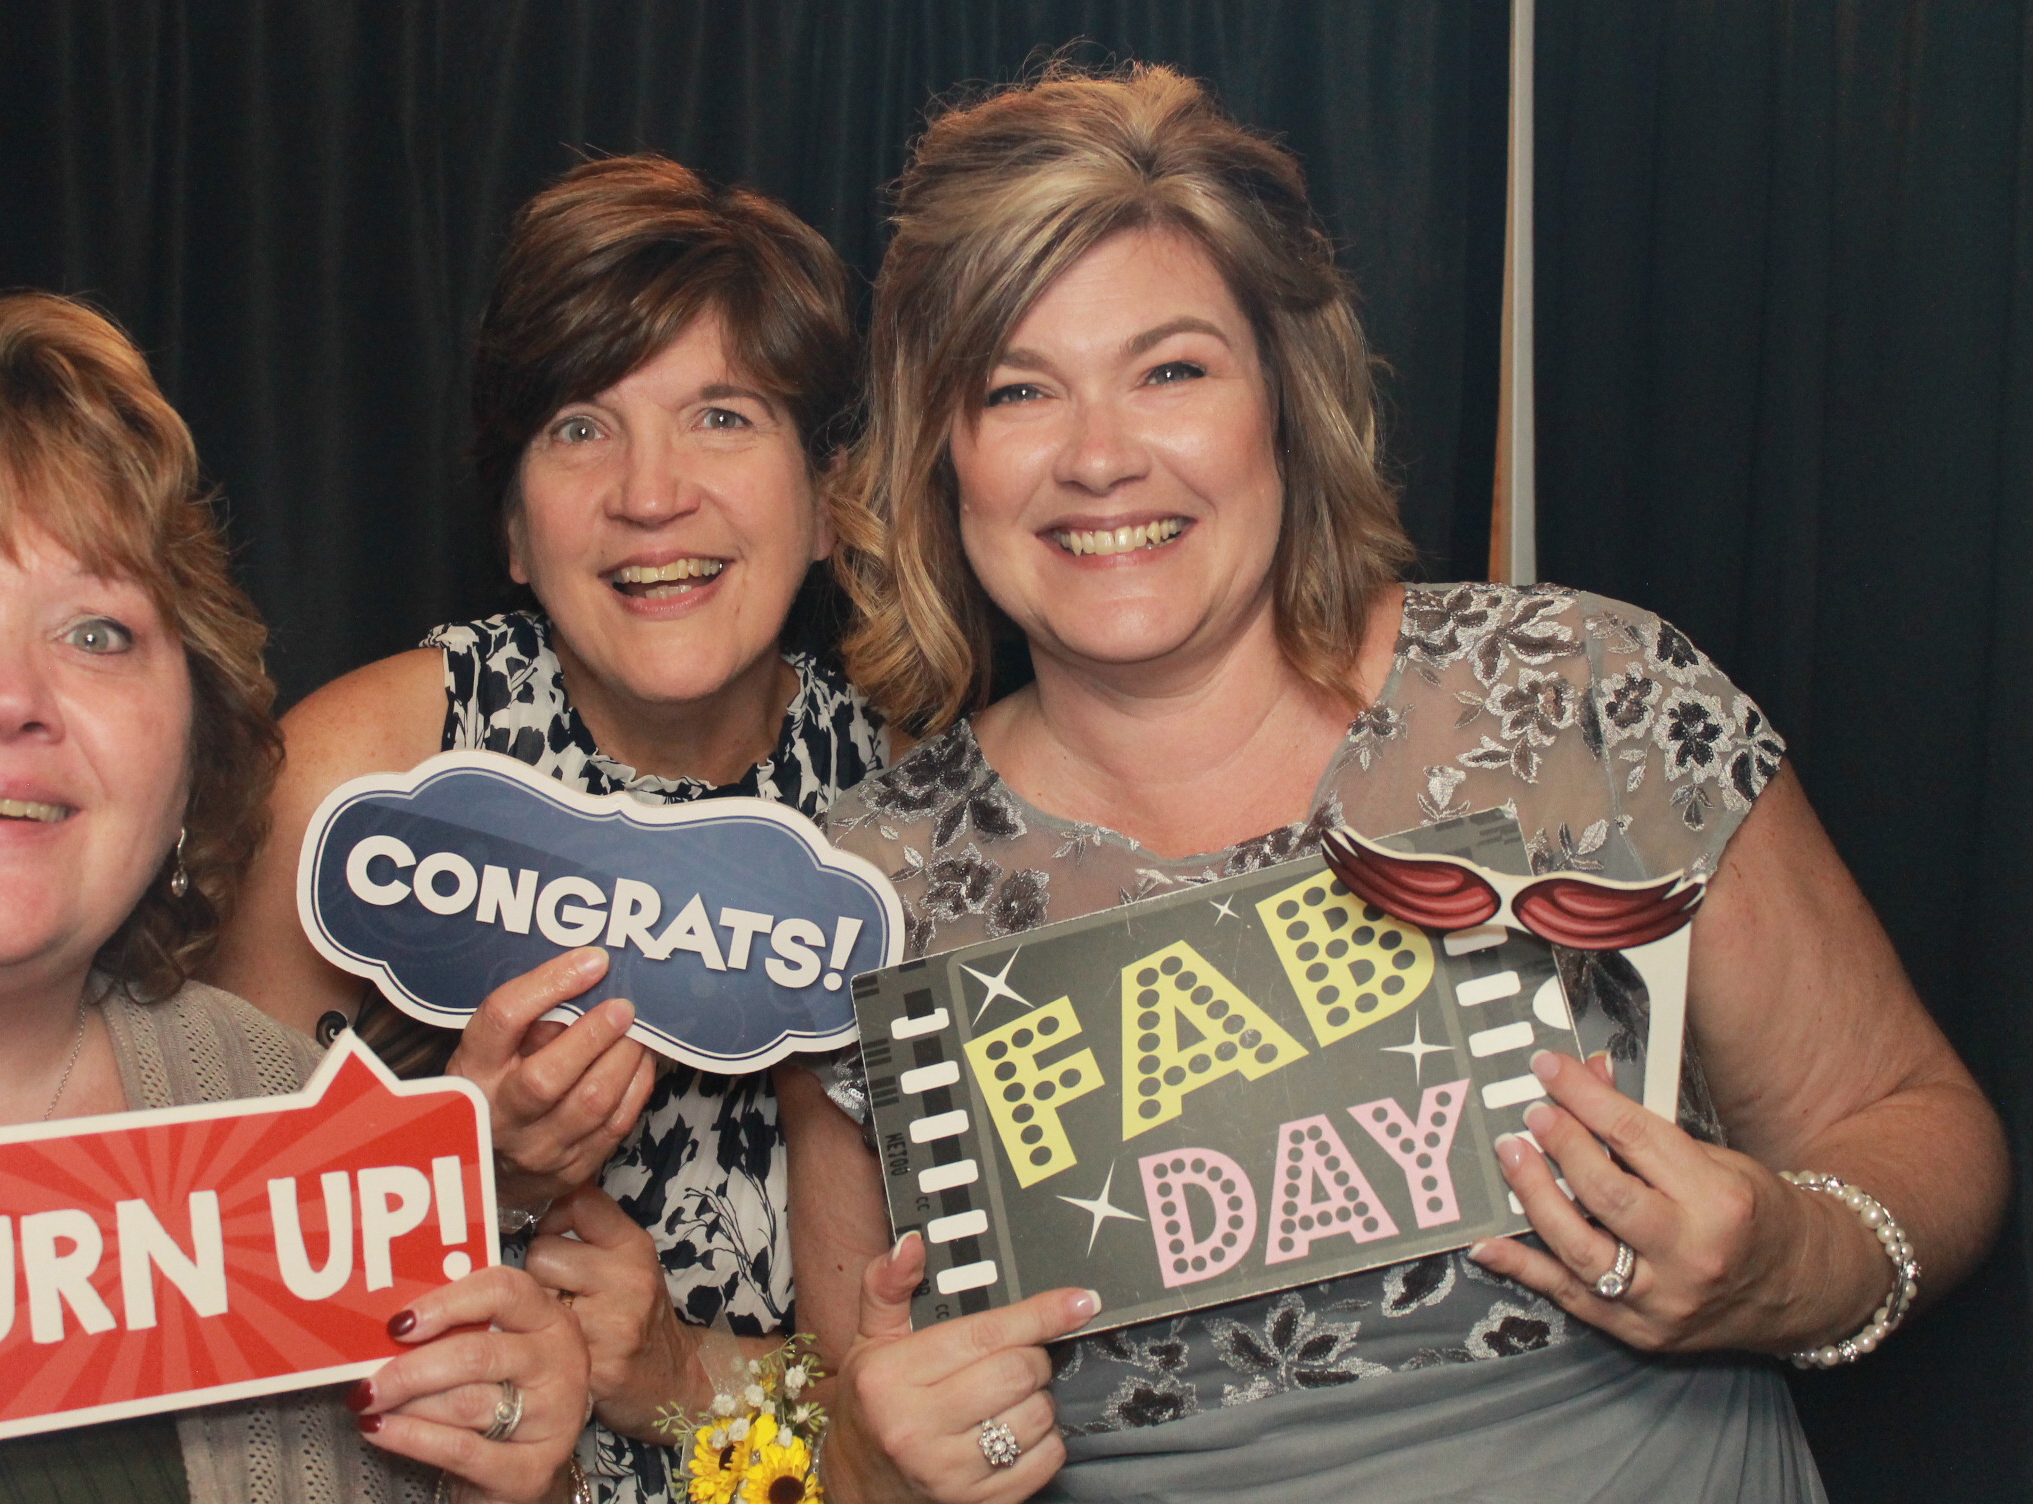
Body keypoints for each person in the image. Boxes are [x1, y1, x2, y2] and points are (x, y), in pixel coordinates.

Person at [790, 65, 2009, 1502]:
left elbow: (1926, 1129)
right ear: (943, 455)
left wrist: (1788, 1261)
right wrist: (885, 1456)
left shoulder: (1581, 695)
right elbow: (852, 1410)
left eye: (1172, 369)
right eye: (1015, 390)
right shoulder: (861, 895)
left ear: (1286, 403)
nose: (1101, 457)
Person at [0, 291, 588, 1504]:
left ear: (192, 743)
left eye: (97, 633)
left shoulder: (289, 1116)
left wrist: (500, 1481)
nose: (7, 695)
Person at [211, 156, 884, 1500]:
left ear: (825, 498)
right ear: (514, 524)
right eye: (581, 427)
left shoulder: (905, 824)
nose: (651, 492)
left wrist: (673, 1370)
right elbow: (199, 1285)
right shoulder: (355, 777)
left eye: (722, 417)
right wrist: (466, 1178)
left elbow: (903, 1415)